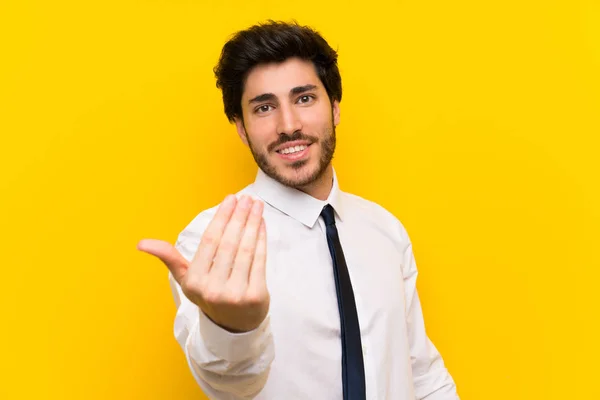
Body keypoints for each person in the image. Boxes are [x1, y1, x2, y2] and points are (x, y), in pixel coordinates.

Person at [137, 20, 459, 400]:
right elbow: (229, 383)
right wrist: (234, 331)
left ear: (335, 107)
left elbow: (420, 371)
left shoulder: (385, 230)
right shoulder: (213, 241)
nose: (288, 125)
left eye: (304, 98)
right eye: (263, 107)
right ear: (241, 128)